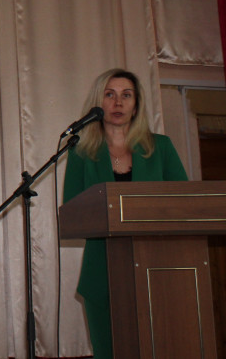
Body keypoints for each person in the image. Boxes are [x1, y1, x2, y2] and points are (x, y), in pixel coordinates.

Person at [62, 68, 187, 358]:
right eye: (110, 95)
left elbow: (184, 203)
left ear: (136, 105)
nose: (118, 103)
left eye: (126, 95)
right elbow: (72, 211)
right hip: (102, 269)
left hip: (156, 266)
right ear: (98, 103)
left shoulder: (161, 147)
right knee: (109, 351)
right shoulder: (81, 152)